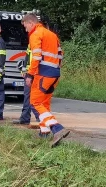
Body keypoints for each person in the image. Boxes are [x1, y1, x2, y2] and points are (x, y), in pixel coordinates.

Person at [22, 13, 70, 147]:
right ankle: (44, 132)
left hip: (43, 74)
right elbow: (61, 55)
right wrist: (55, 69)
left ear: (31, 23)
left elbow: (36, 56)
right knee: (44, 104)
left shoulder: (35, 34)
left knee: (35, 102)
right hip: (54, 74)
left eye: (26, 26)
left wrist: (30, 75)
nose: (26, 30)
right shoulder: (52, 34)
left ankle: (57, 128)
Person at [12, 44, 40, 125]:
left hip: (36, 74)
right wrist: (24, 70)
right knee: (27, 96)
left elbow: (37, 59)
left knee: (35, 97)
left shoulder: (38, 42)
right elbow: (27, 57)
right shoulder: (31, 43)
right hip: (30, 73)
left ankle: (40, 118)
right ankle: (25, 118)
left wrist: (30, 74)